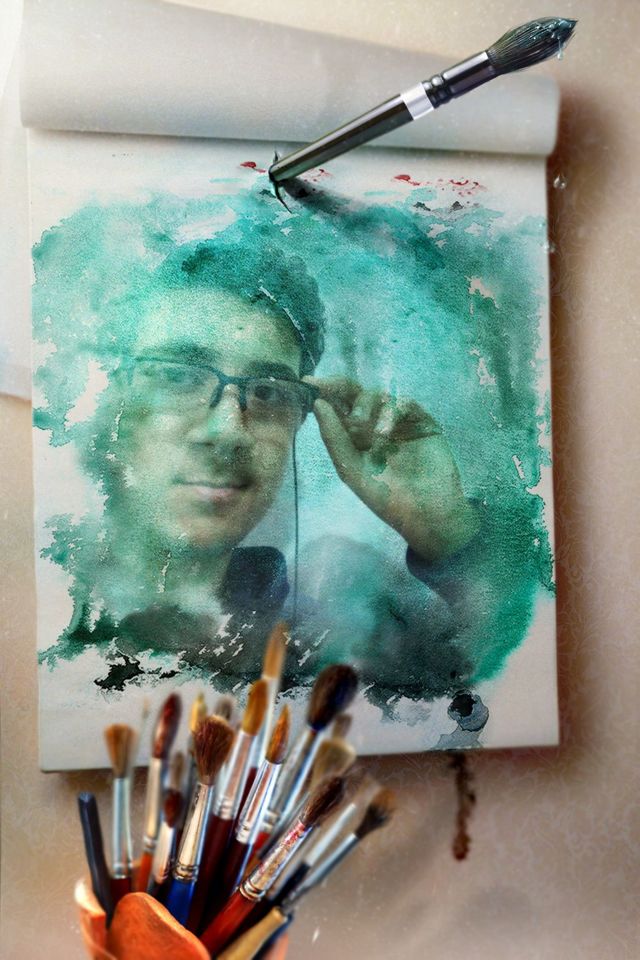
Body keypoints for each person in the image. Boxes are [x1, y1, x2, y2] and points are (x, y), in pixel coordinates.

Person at [34, 190, 551, 710]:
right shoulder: (45, 611)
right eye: (179, 376)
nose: (229, 430)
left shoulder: (340, 637)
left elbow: (506, 690)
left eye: (267, 391)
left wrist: (445, 528)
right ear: (113, 398)